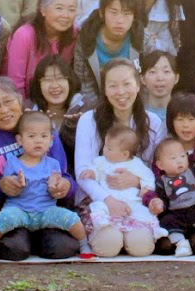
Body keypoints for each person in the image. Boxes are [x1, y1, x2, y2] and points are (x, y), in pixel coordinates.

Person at [70, 58, 166, 257]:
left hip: (136, 201)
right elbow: (83, 172)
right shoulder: (89, 120)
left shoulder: (153, 122)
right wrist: (109, 200)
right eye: (113, 86)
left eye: (127, 84)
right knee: (109, 245)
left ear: (138, 85)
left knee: (141, 247)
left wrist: (136, 181)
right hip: (97, 201)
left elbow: (157, 170)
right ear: (104, 90)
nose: (121, 92)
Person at [0, 112, 88, 252]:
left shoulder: (53, 164)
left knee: (71, 218)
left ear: (51, 140)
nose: (38, 141)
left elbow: (58, 186)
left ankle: (84, 245)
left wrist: (55, 187)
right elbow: (7, 187)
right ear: (20, 140)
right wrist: (15, 182)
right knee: (2, 220)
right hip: (19, 210)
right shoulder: (12, 162)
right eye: (31, 136)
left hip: (46, 210)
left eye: (44, 136)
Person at [70, 0, 145, 113]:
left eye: (127, 14)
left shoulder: (143, 40)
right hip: (97, 106)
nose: (120, 20)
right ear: (102, 13)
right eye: (114, 12)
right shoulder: (86, 40)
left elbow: (146, 82)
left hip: (133, 104)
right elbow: (85, 85)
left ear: (134, 17)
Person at [3, 0, 78, 99]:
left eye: (71, 10)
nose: (66, 15)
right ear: (43, 10)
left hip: (58, 101)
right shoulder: (24, 35)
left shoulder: (74, 34)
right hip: (24, 101)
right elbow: (16, 84)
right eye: (59, 8)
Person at [148, 136, 195, 256]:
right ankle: (181, 244)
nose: (179, 161)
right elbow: (163, 201)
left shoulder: (192, 171)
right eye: (173, 158)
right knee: (166, 221)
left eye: (182, 156)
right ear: (160, 165)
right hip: (177, 215)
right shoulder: (161, 182)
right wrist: (159, 205)